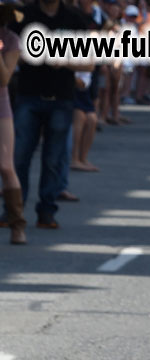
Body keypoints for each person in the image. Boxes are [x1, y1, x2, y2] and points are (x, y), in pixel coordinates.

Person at [9, 0, 90, 231]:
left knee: (53, 159)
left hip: (61, 98)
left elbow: (90, 64)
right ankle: (14, 210)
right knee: (19, 156)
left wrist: (65, 61)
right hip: (29, 95)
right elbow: (7, 50)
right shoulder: (24, 16)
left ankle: (46, 211)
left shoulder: (74, 20)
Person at [1, 0, 25, 244]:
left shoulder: (10, 40)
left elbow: (5, 78)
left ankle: (17, 225)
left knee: (6, 167)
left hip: (1, 106)